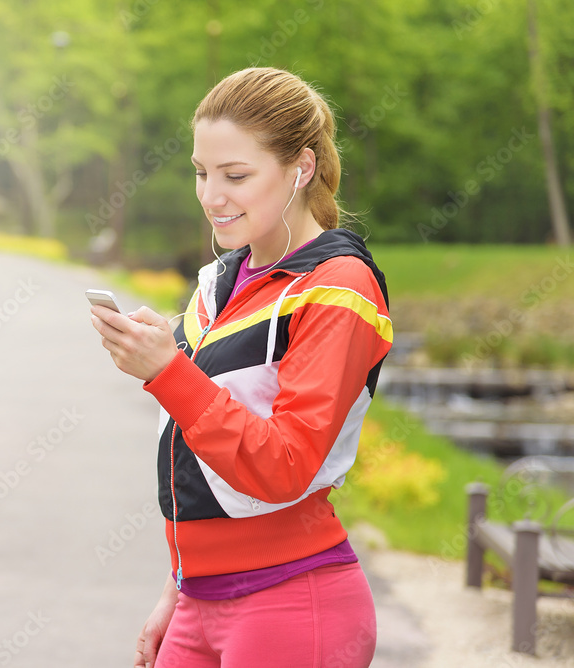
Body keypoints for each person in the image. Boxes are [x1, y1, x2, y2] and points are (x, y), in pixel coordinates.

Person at [90, 67, 392, 668]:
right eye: (202, 173)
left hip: (291, 601)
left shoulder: (339, 289)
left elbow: (284, 466)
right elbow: (203, 468)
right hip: (197, 600)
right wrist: (178, 589)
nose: (211, 196)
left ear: (301, 169)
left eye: (236, 176)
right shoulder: (220, 282)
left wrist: (167, 372)